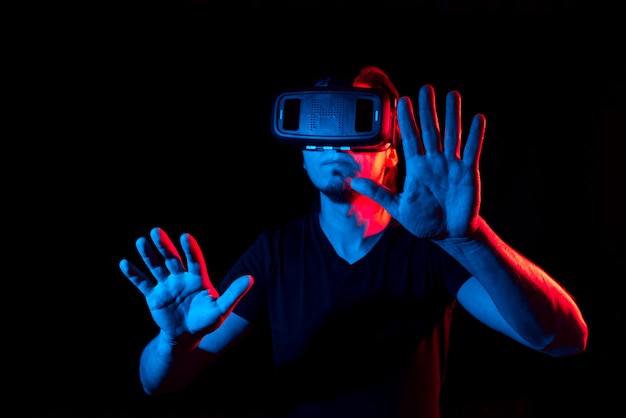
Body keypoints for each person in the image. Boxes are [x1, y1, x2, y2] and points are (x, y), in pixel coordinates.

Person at [119, 65, 588, 418]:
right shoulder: (277, 253)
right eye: (320, 132)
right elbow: (158, 383)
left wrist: (469, 239)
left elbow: (563, 339)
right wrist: (171, 342)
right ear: (302, 158)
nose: (335, 144)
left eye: (354, 125)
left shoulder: (433, 250)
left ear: (390, 155)